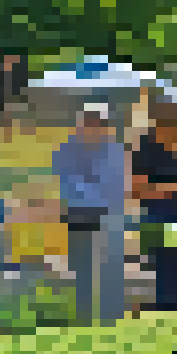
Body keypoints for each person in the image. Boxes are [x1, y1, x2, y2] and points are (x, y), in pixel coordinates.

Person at [54, 104, 130, 326]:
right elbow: (67, 183)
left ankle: (112, 319)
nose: (92, 127)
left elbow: (115, 184)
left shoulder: (114, 150)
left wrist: (89, 191)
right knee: (83, 271)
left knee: (112, 269)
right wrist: (95, 194)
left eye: (98, 123)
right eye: (88, 122)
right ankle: (84, 319)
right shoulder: (66, 149)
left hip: (110, 216)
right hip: (80, 215)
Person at [132, 99, 177, 313]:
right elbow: (137, 187)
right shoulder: (147, 147)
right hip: (160, 215)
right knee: (167, 265)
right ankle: (168, 311)